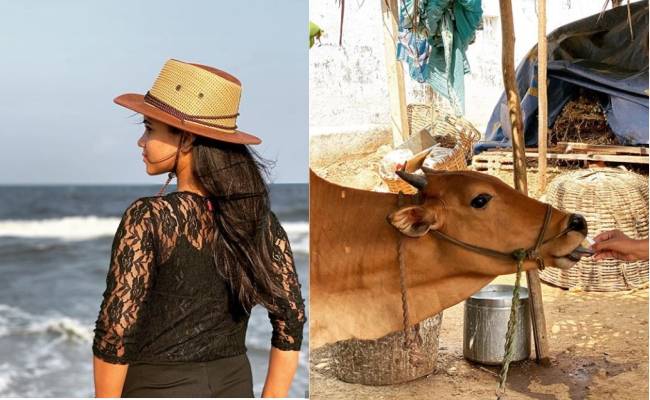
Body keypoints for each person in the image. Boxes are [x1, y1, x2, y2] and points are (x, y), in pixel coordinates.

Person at [92, 59, 306, 398]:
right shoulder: (258, 220)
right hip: (235, 386)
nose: (140, 142)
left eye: (149, 129)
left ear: (187, 140)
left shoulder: (149, 217)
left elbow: (116, 332)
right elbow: (291, 318)